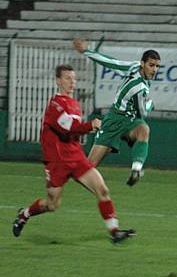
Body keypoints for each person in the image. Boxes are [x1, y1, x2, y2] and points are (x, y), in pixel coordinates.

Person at [11, 64, 136, 244]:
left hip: (76, 157)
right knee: (52, 204)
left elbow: (74, 132)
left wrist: (97, 129)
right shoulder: (55, 104)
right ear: (58, 80)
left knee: (102, 189)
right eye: (68, 78)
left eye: (74, 78)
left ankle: (114, 231)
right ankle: (24, 214)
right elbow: (67, 128)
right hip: (56, 161)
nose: (72, 82)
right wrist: (90, 125)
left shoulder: (75, 104)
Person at [72, 38, 161, 186]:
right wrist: (150, 105)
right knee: (86, 170)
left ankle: (136, 170)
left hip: (130, 121)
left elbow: (111, 62)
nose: (154, 69)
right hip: (114, 120)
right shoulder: (139, 88)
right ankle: (75, 172)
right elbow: (142, 112)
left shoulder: (134, 69)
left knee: (144, 129)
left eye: (157, 66)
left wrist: (87, 51)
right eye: (151, 65)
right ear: (142, 63)